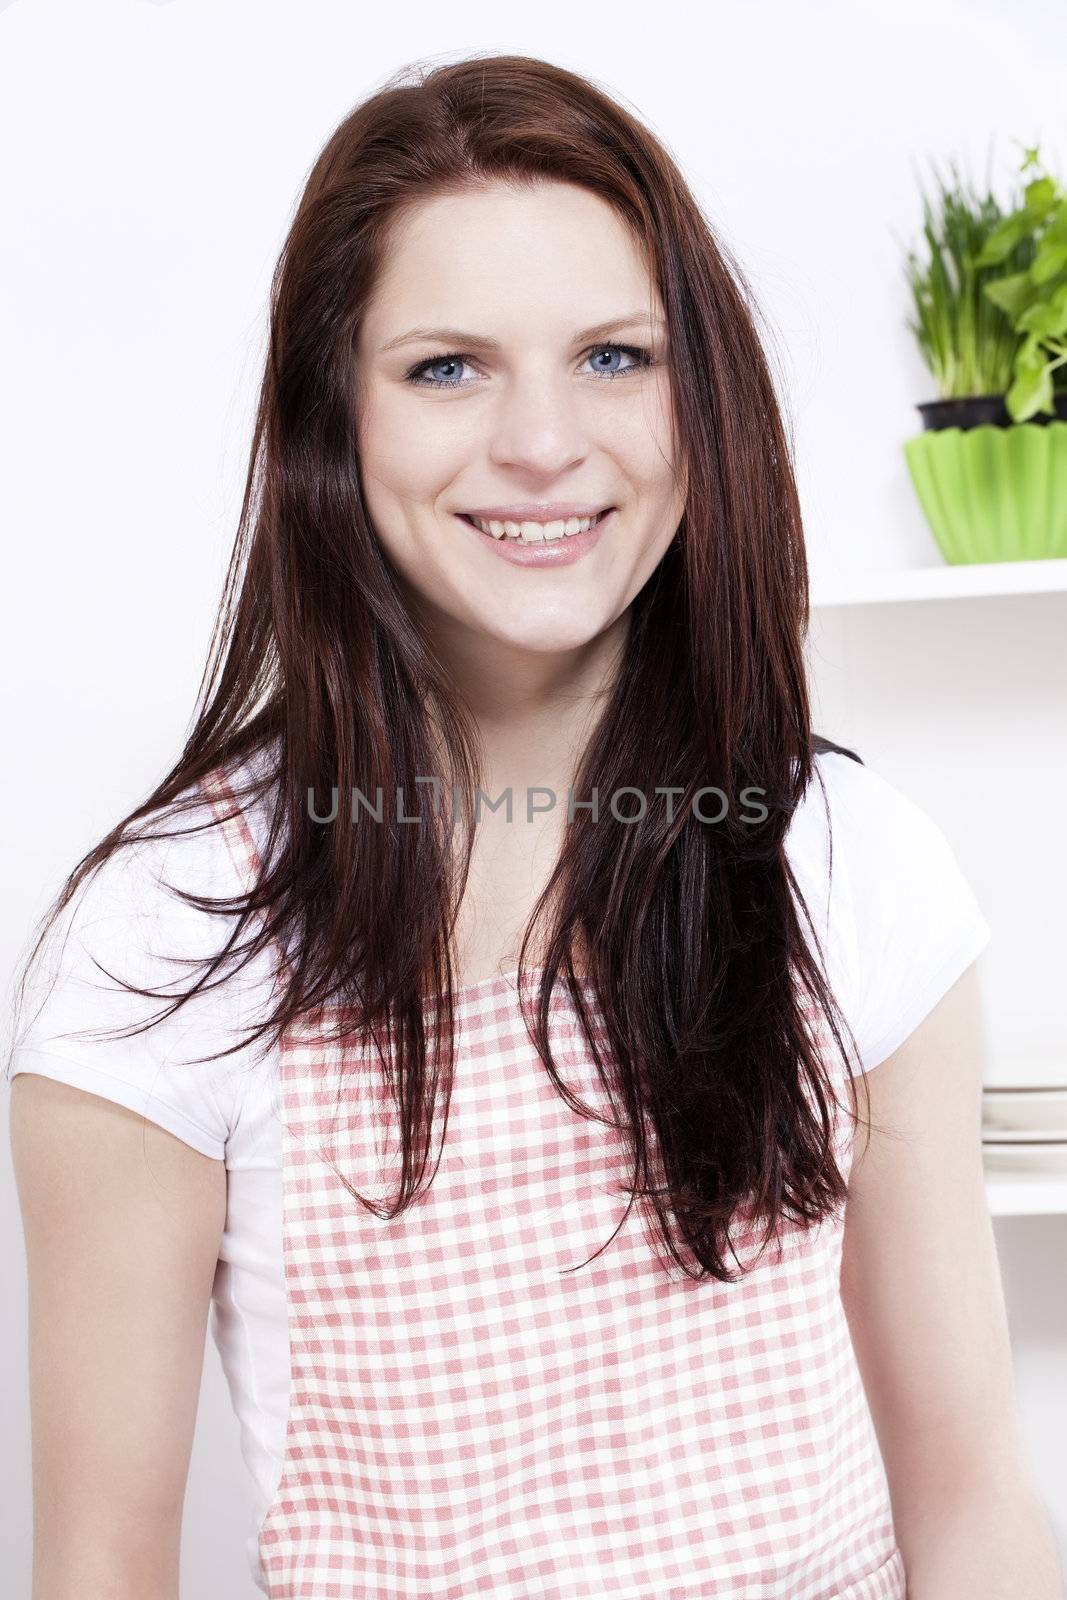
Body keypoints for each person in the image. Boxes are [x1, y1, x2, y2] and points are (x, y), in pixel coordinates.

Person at [6, 51, 1062, 1600]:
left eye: (616, 357)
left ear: (703, 393)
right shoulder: (165, 937)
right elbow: (103, 1568)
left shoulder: (848, 857)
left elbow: (968, 1503)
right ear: (331, 421)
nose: (545, 445)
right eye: (448, 367)